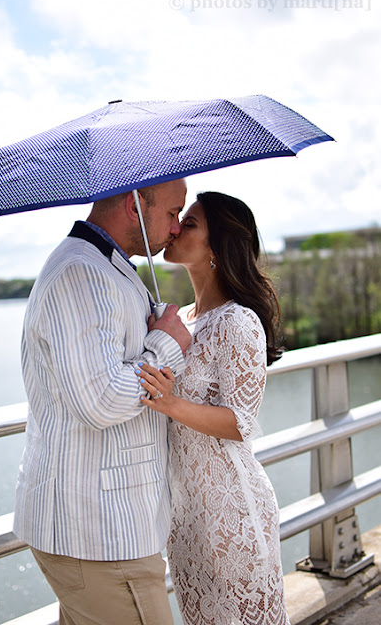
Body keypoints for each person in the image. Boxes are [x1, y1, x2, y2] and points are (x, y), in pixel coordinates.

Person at [13, 178, 192, 625]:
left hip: (103, 529)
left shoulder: (107, 268)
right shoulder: (81, 273)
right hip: (101, 534)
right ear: (135, 204)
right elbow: (102, 399)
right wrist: (165, 345)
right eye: (172, 212)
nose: (176, 228)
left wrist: (151, 333)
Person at [136, 191, 290, 625]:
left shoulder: (238, 321)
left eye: (190, 224)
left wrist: (169, 403)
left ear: (217, 247)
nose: (174, 228)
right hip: (184, 516)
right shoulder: (178, 319)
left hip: (231, 511)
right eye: (179, 219)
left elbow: (240, 422)